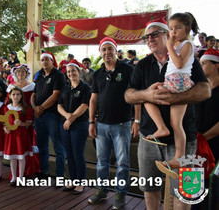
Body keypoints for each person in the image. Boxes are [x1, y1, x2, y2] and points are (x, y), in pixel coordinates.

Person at [124, 18, 210, 210]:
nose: (150, 39)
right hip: (149, 138)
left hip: (185, 138)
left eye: (155, 33)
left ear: (168, 34)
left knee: (185, 192)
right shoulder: (143, 64)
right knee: (150, 189)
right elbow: (129, 95)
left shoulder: (189, 58)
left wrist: (173, 98)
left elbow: (206, 91)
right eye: (147, 36)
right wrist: (147, 94)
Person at [142, 13, 199, 172]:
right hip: (175, 82)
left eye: (177, 28)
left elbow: (179, 64)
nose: (173, 32)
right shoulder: (177, 45)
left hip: (178, 82)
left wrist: (169, 47)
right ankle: (178, 158)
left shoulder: (187, 44)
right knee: (176, 124)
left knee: (147, 97)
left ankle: (161, 128)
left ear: (187, 29)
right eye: (171, 29)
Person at [87, 37, 136, 209]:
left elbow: (136, 95)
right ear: (100, 53)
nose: (107, 52)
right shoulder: (97, 73)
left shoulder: (128, 70)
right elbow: (93, 100)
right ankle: (101, 191)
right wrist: (91, 122)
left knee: (123, 162)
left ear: (116, 50)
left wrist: (136, 120)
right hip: (101, 124)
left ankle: (121, 194)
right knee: (102, 161)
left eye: (110, 49)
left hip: (122, 124)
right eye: (103, 50)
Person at [31, 51, 66, 179]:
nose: (44, 62)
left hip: (53, 116)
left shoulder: (58, 75)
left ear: (52, 61)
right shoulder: (39, 76)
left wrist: (40, 108)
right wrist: (35, 108)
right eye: (42, 60)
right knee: (42, 146)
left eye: (47, 59)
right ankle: (44, 172)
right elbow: (33, 95)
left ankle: (60, 175)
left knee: (58, 146)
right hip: (39, 117)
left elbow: (56, 95)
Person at [57, 59, 90, 195]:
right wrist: (66, 116)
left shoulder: (85, 87)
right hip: (65, 124)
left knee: (77, 154)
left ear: (78, 72)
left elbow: (84, 106)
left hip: (79, 124)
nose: (71, 73)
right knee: (69, 154)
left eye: (73, 71)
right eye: (68, 71)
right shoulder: (65, 88)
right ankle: (73, 179)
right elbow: (59, 106)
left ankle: (81, 182)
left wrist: (70, 119)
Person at [7, 64, 40, 176]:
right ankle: (16, 172)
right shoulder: (11, 87)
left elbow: (35, 101)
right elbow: (8, 104)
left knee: (29, 143)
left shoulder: (32, 86)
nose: (21, 73)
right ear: (15, 74)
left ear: (27, 73)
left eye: (23, 71)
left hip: (27, 117)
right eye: (19, 71)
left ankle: (29, 170)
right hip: (14, 120)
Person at [4, 86, 33, 186]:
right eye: (13, 94)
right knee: (13, 156)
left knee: (21, 156)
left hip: (21, 134)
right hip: (11, 135)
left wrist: (22, 124)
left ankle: (20, 177)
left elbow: (29, 123)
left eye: (18, 94)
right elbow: (5, 122)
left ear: (21, 96)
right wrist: (5, 128)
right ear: (10, 96)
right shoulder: (6, 108)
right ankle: (13, 177)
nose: (15, 96)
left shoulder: (26, 109)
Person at [196, 49, 219, 162]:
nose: (201, 67)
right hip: (196, 144)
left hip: (214, 145)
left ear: (216, 66)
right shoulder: (199, 89)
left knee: (212, 178)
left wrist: (204, 138)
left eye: (204, 63)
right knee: (191, 178)